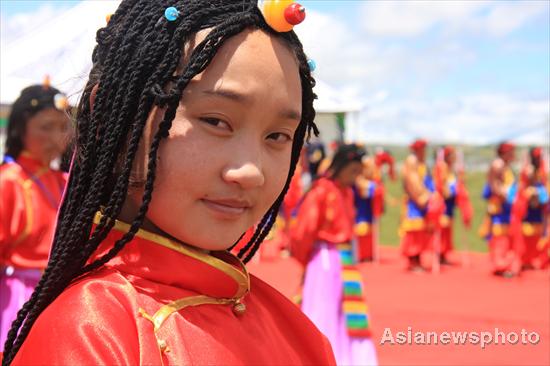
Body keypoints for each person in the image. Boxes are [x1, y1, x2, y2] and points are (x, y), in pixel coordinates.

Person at [1, 1, 336, 365]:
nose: (252, 171)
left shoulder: (299, 332)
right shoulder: (93, 329)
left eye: (277, 135)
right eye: (216, 120)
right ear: (114, 115)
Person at [291, 144, 378, 366]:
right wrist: (307, 261)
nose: (355, 177)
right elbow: (303, 231)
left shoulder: (347, 192)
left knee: (346, 312)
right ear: (340, 167)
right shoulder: (321, 190)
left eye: (358, 172)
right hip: (324, 258)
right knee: (323, 308)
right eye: (353, 172)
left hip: (344, 258)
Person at [0, 83, 70, 349]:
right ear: (20, 128)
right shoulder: (9, 181)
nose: (56, 138)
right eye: (46, 127)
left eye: (63, 127)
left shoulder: (65, 182)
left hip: (58, 294)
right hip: (18, 298)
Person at [399, 139, 442, 271]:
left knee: (422, 231)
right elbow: (413, 182)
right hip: (415, 202)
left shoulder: (422, 163)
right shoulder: (412, 161)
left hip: (424, 199)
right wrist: (423, 196)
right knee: (414, 232)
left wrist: (432, 194)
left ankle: (418, 257)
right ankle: (413, 259)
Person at [479, 142, 520, 277]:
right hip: (499, 207)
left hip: (506, 207)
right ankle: (500, 264)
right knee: (500, 236)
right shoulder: (498, 164)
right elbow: (495, 185)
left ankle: (504, 264)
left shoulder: (505, 166)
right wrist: (507, 195)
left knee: (506, 236)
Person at [432, 146, 473, 264]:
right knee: (442, 229)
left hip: (450, 204)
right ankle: (438, 253)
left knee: (448, 230)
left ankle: (444, 253)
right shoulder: (441, 168)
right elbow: (442, 188)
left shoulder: (452, 171)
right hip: (442, 205)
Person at [513, 147, 549, 269]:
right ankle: (524, 259)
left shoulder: (542, 171)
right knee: (526, 234)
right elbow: (521, 188)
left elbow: (544, 185)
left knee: (538, 234)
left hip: (540, 208)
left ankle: (533, 259)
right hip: (527, 207)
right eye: (536, 157)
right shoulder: (527, 171)